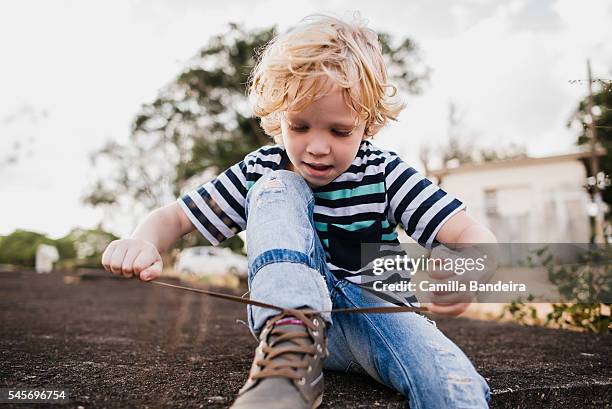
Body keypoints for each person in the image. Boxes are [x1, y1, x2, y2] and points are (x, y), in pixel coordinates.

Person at [101, 13, 495, 409]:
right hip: (294, 328)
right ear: (278, 120)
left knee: (453, 381)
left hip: (380, 319)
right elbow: (176, 217)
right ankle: (291, 335)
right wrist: (142, 240)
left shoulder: (384, 172)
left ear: (367, 123)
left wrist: (468, 270)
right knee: (276, 185)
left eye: (339, 131)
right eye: (300, 127)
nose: (318, 147)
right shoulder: (261, 169)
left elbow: (475, 237)